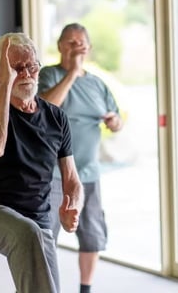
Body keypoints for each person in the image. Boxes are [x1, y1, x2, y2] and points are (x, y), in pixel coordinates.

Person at [0, 32, 84, 293]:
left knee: (46, 286)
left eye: (32, 66)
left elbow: (72, 178)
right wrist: (5, 86)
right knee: (27, 233)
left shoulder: (56, 118)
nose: (27, 74)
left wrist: (72, 205)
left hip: (38, 222)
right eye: (17, 68)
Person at [38, 23, 123, 293]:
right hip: (52, 173)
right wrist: (72, 72)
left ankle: (85, 289)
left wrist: (114, 122)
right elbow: (47, 107)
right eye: (70, 42)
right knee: (46, 236)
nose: (75, 46)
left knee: (92, 235)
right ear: (60, 45)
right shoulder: (49, 75)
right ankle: (48, 287)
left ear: (88, 48)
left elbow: (116, 118)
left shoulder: (98, 84)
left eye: (80, 42)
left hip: (88, 172)